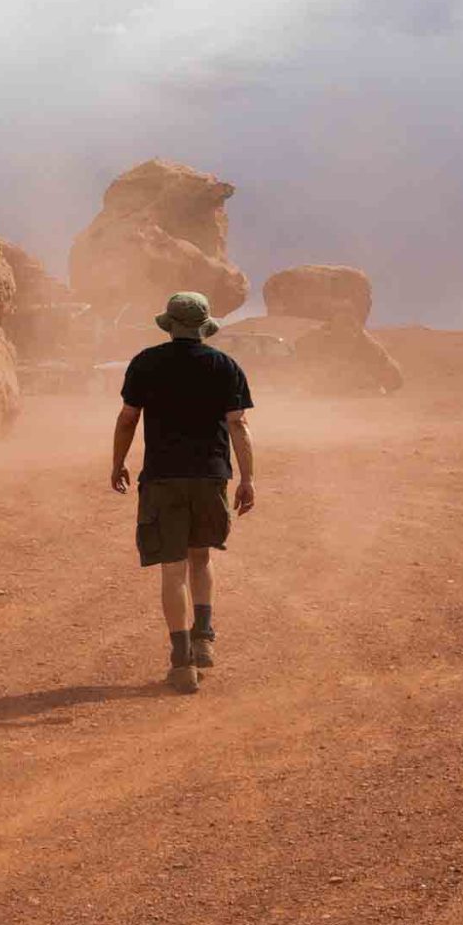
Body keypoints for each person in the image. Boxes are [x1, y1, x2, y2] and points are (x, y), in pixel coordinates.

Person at [109, 291, 257, 693]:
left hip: (162, 478)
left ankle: (181, 662)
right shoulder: (225, 366)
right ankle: (204, 636)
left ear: (169, 325)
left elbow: (128, 419)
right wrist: (247, 478)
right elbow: (238, 426)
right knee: (202, 556)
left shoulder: (146, 363)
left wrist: (118, 461)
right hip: (210, 476)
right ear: (204, 325)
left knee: (172, 570)